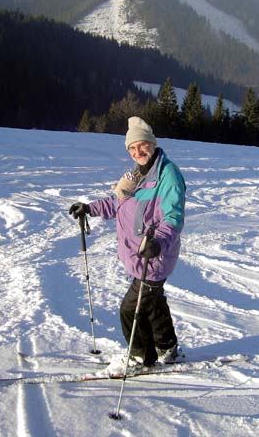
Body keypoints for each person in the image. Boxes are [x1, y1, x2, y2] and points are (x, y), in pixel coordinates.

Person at [69, 116, 186, 371]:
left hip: (153, 257)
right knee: (153, 303)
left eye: (142, 145)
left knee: (130, 309)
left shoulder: (168, 175)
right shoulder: (135, 174)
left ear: (152, 144)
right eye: (132, 148)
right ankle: (167, 347)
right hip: (137, 256)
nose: (137, 152)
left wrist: (160, 242)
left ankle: (140, 357)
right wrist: (89, 208)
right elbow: (117, 203)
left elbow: (173, 216)